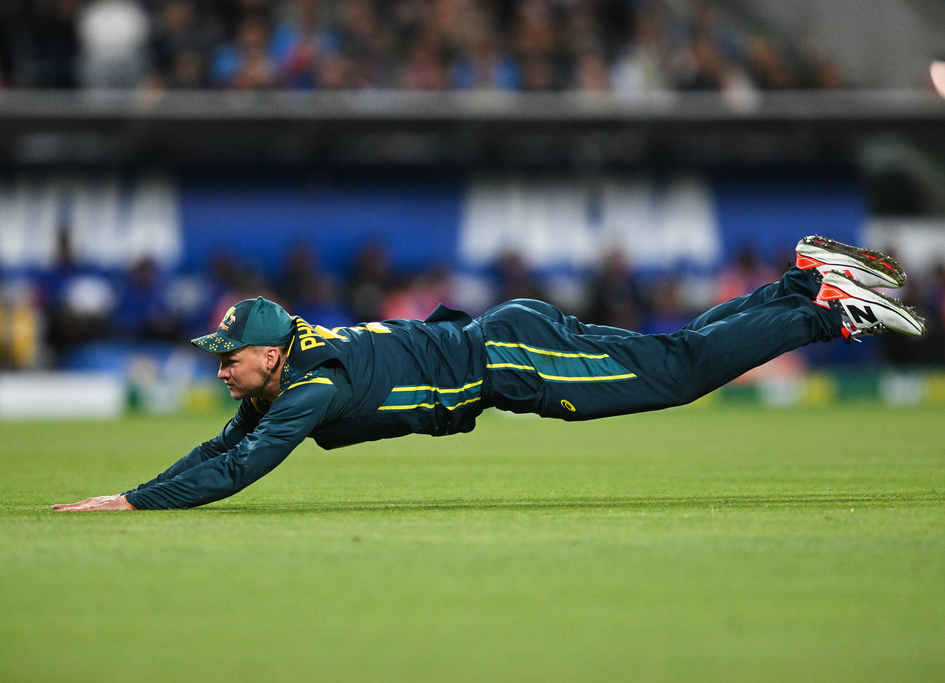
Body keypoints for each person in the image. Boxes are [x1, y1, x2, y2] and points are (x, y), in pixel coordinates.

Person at [53, 236, 925, 511]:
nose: (223, 368)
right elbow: (222, 441)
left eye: (229, 356)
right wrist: (136, 491)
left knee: (679, 371)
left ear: (271, 350)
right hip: (505, 348)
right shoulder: (295, 368)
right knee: (676, 357)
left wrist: (138, 504)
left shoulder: (311, 383)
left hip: (509, 360)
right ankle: (804, 281)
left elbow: (242, 463)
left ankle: (826, 306)